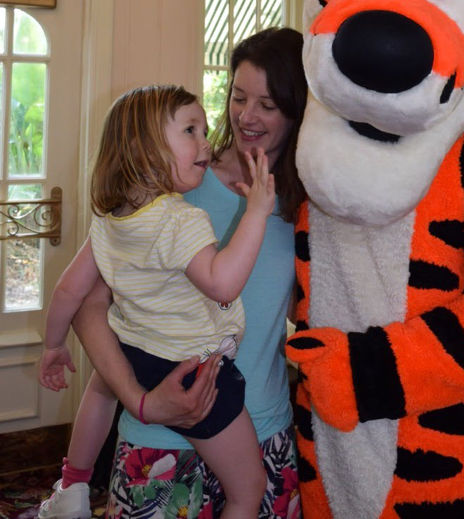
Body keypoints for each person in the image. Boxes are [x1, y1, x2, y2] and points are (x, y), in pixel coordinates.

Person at [69, 27, 307, 518]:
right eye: (238, 97)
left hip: (264, 432)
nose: (247, 116)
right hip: (158, 437)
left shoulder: (310, 203)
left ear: (299, 109)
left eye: (268, 104)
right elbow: (88, 306)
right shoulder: (174, 182)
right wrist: (140, 402)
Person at [38, 84, 278, 519]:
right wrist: (257, 213)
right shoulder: (181, 220)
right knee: (248, 489)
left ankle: (73, 487)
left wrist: (53, 346)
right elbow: (222, 284)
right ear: (143, 150)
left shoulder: (112, 221)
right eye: (190, 130)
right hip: (193, 372)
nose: (205, 142)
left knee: (102, 385)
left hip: (138, 354)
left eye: (204, 129)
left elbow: (68, 292)